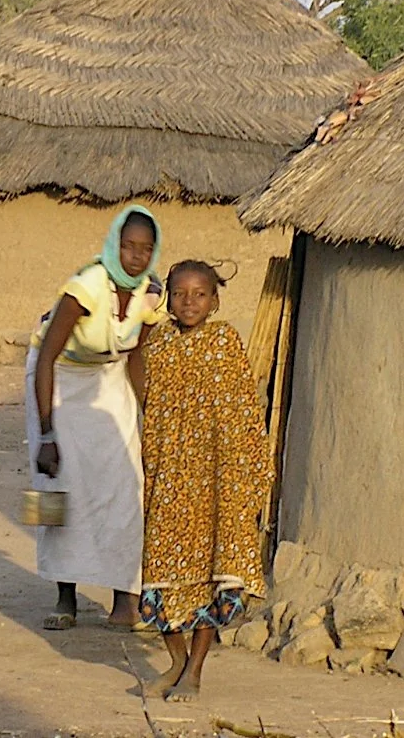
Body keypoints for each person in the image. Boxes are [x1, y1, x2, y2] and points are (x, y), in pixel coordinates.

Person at [138, 260, 273, 701]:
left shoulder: (224, 342)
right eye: (179, 294)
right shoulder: (158, 344)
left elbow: (243, 411)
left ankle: (194, 670)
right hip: (169, 478)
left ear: (214, 301)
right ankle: (175, 660)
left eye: (199, 294)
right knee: (159, 570)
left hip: (216, 480)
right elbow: (149, 405)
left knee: (210, 575)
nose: (189, 302)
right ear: (168, 300)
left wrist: (244, 475)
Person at [28, 204, 162, 631]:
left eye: (146, 249)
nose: (137, 256)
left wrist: (149, 415)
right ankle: (64, 595)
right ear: (114, 245)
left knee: (126, 484)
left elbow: (137, 356)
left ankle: (125, 598)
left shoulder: (150, 294)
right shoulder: (86, 286)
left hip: (109, 374)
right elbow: (47, 357)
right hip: (58, 378)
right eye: (129, 246)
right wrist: (47, 434)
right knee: (60, 485)